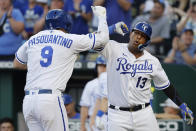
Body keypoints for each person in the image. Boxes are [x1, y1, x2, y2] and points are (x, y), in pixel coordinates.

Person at [13, 6, 110, 131]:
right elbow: (102, 39)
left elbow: (16, 63)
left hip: (28, 101)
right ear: (67, 24)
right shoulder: (70, 39)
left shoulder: (33, 39)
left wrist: (37, 68)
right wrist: (102, 16)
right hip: (49, 99)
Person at [96, 21, 194, 131]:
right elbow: (93, 40)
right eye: (136, 33)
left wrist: (182, 105)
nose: (137, 37)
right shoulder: (113, 48)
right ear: (130, 33)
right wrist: (111, 28)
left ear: (147, 42)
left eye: (142, 36)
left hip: (143, 114)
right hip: (117, 115)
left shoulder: (152, 61)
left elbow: (166, 87)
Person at [80, 55, 107, 131]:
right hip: (94, 118)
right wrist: (82, 125)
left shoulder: (114, 82)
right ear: (96, 67)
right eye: (100, 65)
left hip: (111, 117)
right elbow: (84, 106)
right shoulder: (91, 84)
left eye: (105, 66)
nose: (103, 68)